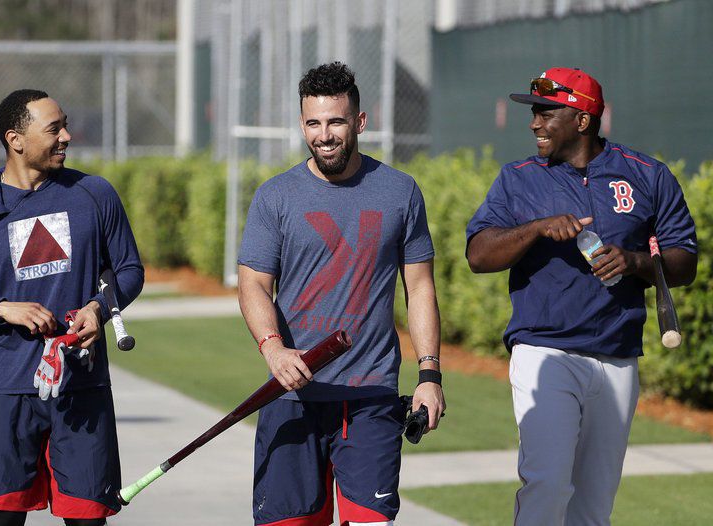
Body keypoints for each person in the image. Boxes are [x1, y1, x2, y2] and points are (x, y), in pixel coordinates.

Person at [466, 67, 697, 525]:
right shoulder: (518, 179)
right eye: (533, 113)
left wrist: (635, 263)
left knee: (593, 506)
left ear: (582, 120)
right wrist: (535, 229)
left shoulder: (648, 176)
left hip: (617, 356)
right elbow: (478, 254)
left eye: (546, 113)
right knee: (548, 483)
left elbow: (684, 262)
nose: (534, 123)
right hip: (544, 353)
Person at [237, 61, 445, 526]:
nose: (324, 134)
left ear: (359, 122)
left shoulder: (400, 191)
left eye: (335, 121)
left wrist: (429, 374)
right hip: (293, 396)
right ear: (302, 124)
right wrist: (273, 349)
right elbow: (253, 283)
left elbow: (420, 285)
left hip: (370, 397)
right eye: (313, 123)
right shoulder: (276, 196)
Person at [0, 89, 143, 526]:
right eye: (53, 129)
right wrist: (2, 309)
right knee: (4, 519)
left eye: (64, 125)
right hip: (6, 390)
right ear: (16, 139)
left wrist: (99, 309)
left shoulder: (94, 194)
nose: (66, 136)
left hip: (83, 388)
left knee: (87, 518)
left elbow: (129, 270)